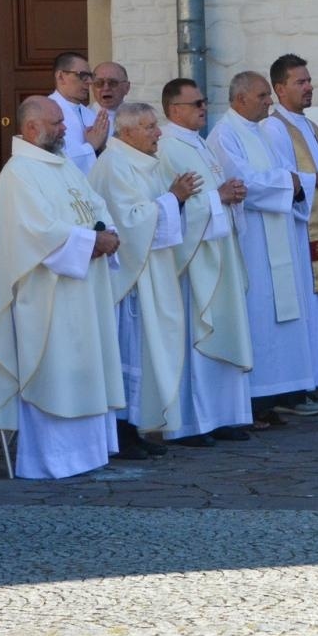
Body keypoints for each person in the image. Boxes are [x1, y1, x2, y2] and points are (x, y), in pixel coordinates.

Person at [0, 96, 124, 479]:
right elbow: (35, 233)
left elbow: (96, 206)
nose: (64, 129)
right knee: (54, 372)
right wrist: (92, 243)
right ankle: (51, 461)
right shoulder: (18, 173)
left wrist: (106, 233)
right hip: (46, 298)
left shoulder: (64, 166)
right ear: (31, 128)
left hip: (83, 290)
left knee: (85, 368)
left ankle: (89, 454)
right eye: (58, 122)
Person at [207, 71, 318, 424]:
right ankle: (253, 399)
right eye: (262, 96)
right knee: (257, 314)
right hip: (251, 239)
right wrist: (289, 183)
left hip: (277, 234)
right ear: (240, 99)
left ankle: (273, 395)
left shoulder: (262, 132)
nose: (269, 101)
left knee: (278, 315)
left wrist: (292, 183)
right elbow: (241, 183)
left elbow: (286, 172)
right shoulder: (224, 135)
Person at [88, 102, 196, 454]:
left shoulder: (139, 163)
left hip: (147, 273)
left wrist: (173, 200)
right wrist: (173, 198)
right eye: (150, 127)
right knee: (127, 352)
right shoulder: (113, 165)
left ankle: (135, 425)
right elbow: (130, 221)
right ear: (127, 131)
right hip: (128, 283)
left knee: (141, 352)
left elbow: (148, 214)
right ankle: (120, 431)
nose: (158, 133)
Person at [157, 78, 256, 442]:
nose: (204, 107)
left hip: (219, 253)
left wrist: (232, 194)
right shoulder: (167, 147)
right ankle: (191, 424)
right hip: (193, 260)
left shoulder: (199, 143)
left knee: (224, 326)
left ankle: (223, 416)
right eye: (196, 103)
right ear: (174, 110)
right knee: (194, 335)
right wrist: (220, 197)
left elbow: (210, 195)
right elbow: (176, 204)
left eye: (204, 101)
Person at [263, 54, 318, 412]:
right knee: (304, 306)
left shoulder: (311, 127)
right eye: (301, 82)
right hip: (297, 232)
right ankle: (301, 384)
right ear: (280, 88)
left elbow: (316, 174)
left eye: (310, 81)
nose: (309, 87)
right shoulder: (274, 129)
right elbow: (281, 177)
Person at [49, 52, 109, 175]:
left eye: (90, 76)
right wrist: (91, 147)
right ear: (60, 76)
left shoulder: (90, 114)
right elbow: (54, 159)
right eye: (82, 75)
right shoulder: (46, 113)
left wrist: (102, 147)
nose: (89, 82)